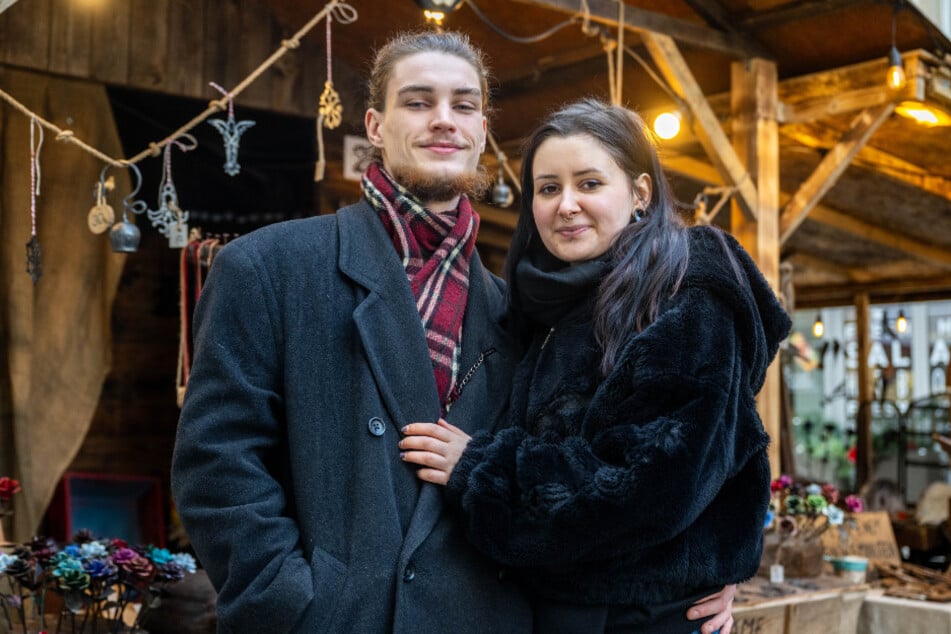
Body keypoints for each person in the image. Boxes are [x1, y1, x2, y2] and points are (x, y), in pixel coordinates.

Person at [171, 31, 735, 633]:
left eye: (464, 105)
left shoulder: (516, 308)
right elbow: (216, 465)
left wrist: (702, 564)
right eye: (418, 102)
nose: (444, 120)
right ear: (376, 126)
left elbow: (619, 462)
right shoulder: (269, 268)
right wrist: (286, 604)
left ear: (482, 130)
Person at [400, 99, 792, 633]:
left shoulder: (687, 291)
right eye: (548, 188)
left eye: (588, 183)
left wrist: (481, 470)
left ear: (639, 194)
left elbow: (656, 484)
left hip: (635, 617)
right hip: (556, 605)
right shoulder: (555, 301)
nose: (566, 205)